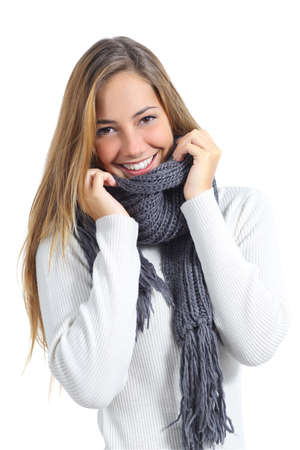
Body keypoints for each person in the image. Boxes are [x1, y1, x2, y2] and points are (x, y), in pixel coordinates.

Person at [19, 36, 290, 449]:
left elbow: (257, 343)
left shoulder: (237, 211)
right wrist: (113, 229)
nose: (132, 147)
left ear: (170, 115)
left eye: (146, 119)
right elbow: (93, 386)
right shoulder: (68, 246)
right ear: (85, 142)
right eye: (106, 129)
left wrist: (199, 203)